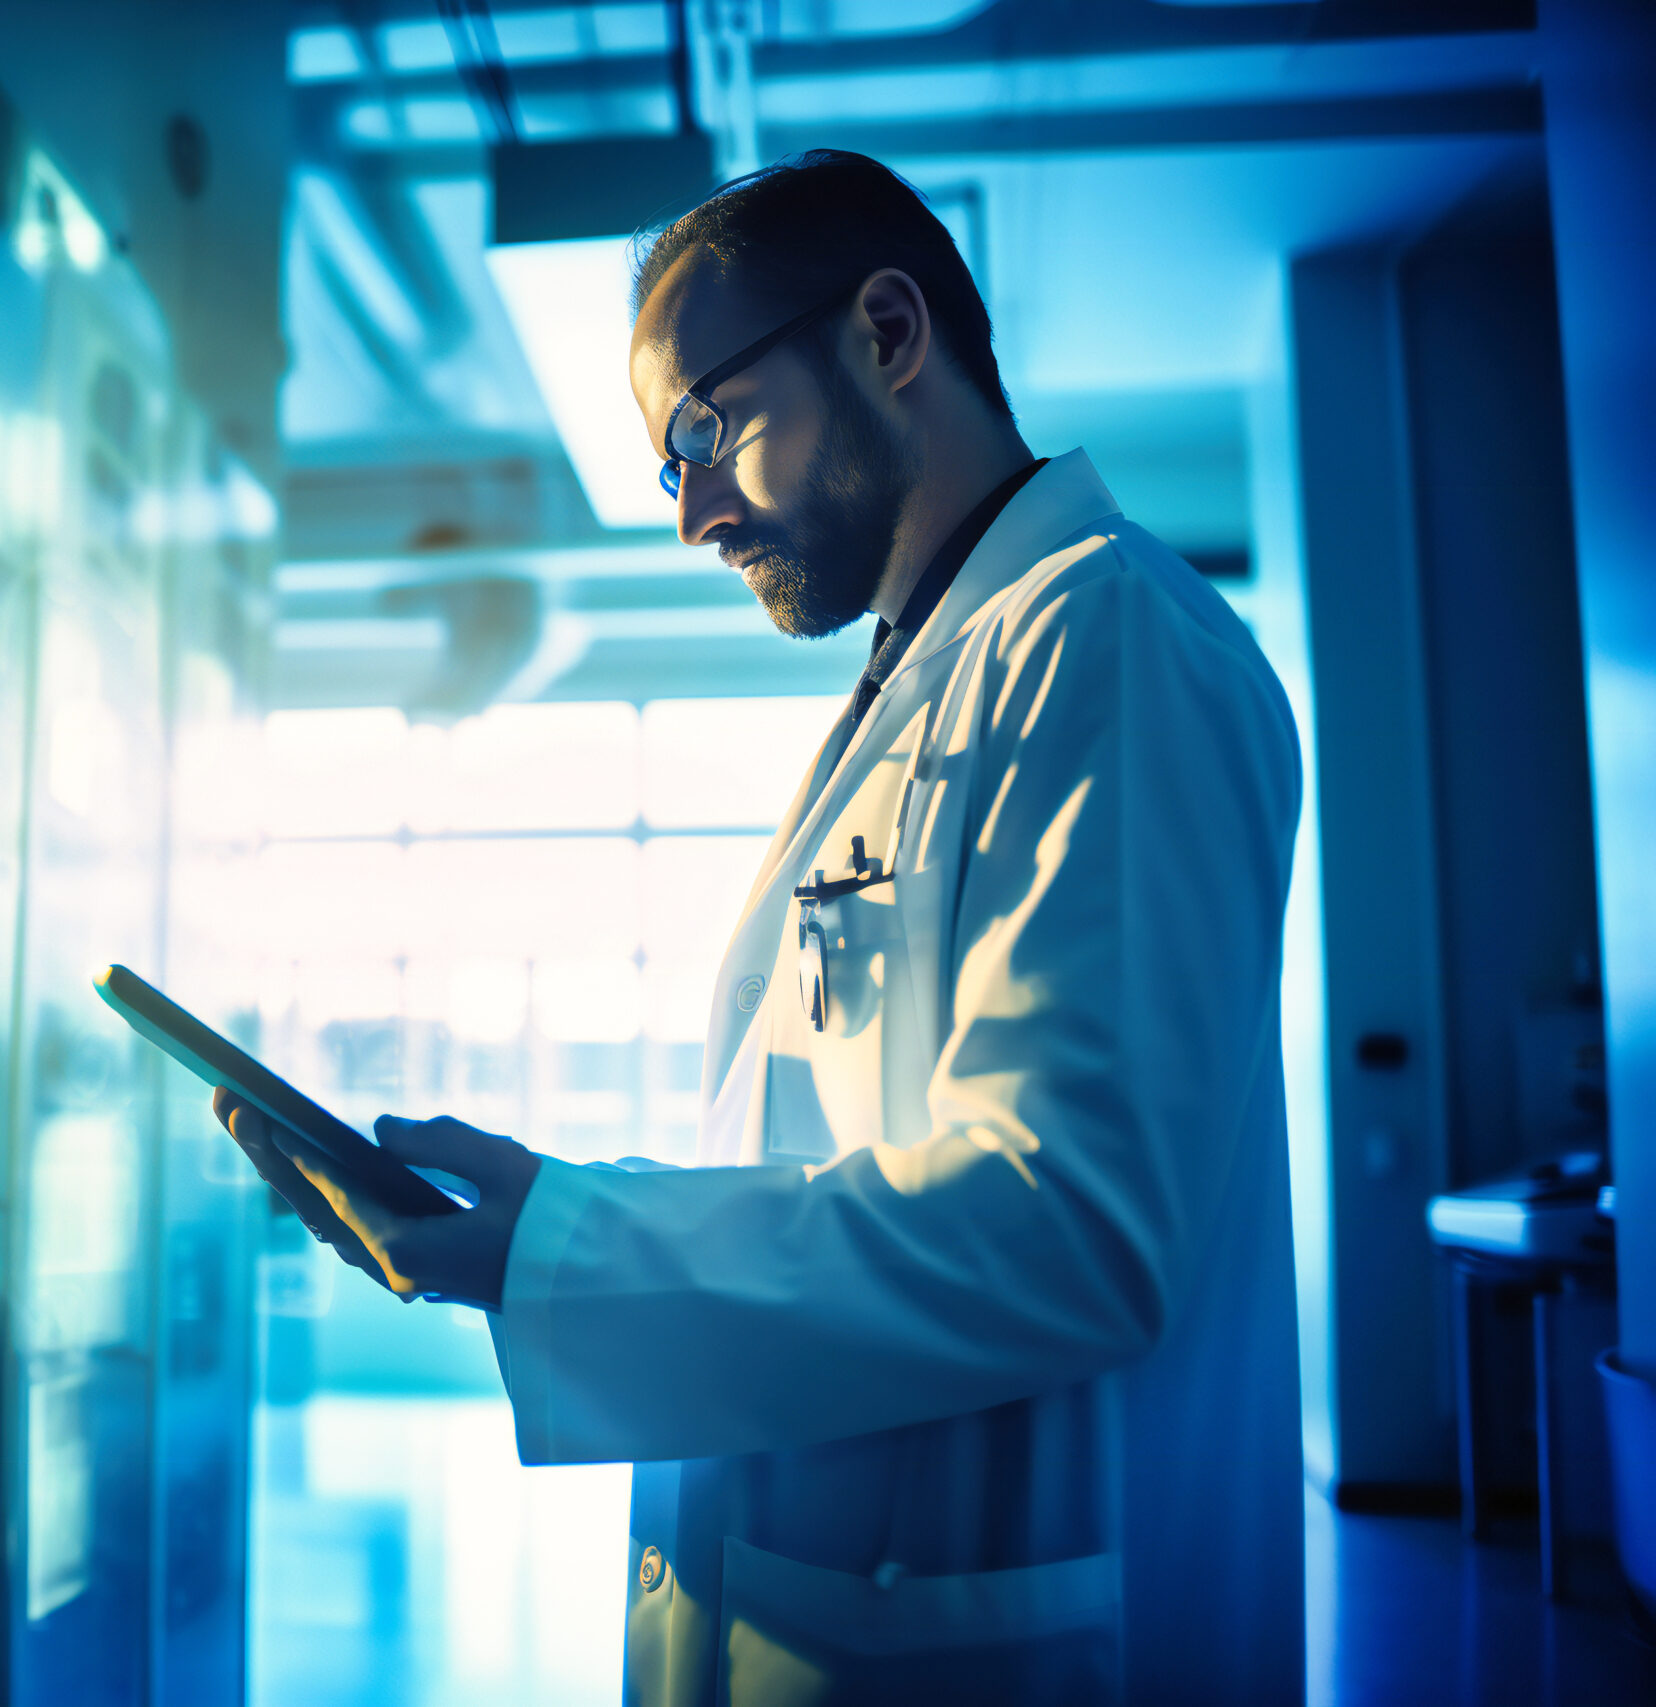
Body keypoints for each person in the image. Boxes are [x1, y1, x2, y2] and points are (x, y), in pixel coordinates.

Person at [217, 149, 1303, 1706]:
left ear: (886, 333)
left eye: (705, 434)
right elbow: (848, 1160)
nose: (692, 514)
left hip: (1009, 1627)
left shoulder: (1105, 640)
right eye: (673, 468)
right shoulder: (935, 673)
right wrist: (560, 1212)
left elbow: (1071, 1227)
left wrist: (573, 1251)